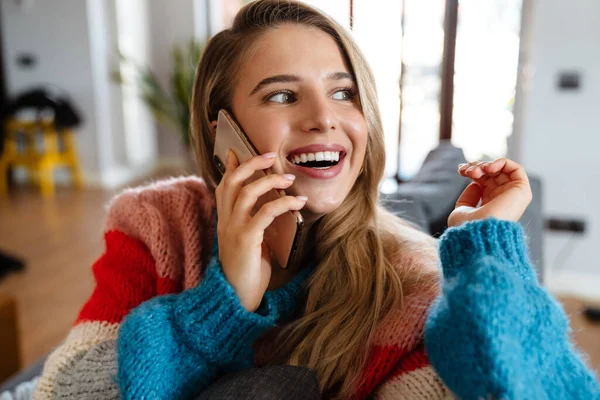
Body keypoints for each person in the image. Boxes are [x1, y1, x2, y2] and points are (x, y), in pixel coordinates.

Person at [31, 1, 599, 399]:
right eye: (282, 94)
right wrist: (223, 303)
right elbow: (62, 392)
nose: (324, 116)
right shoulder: (160, 225)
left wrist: (485, 253)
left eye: (343, 92)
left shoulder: (411, 286)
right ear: (221, 132)